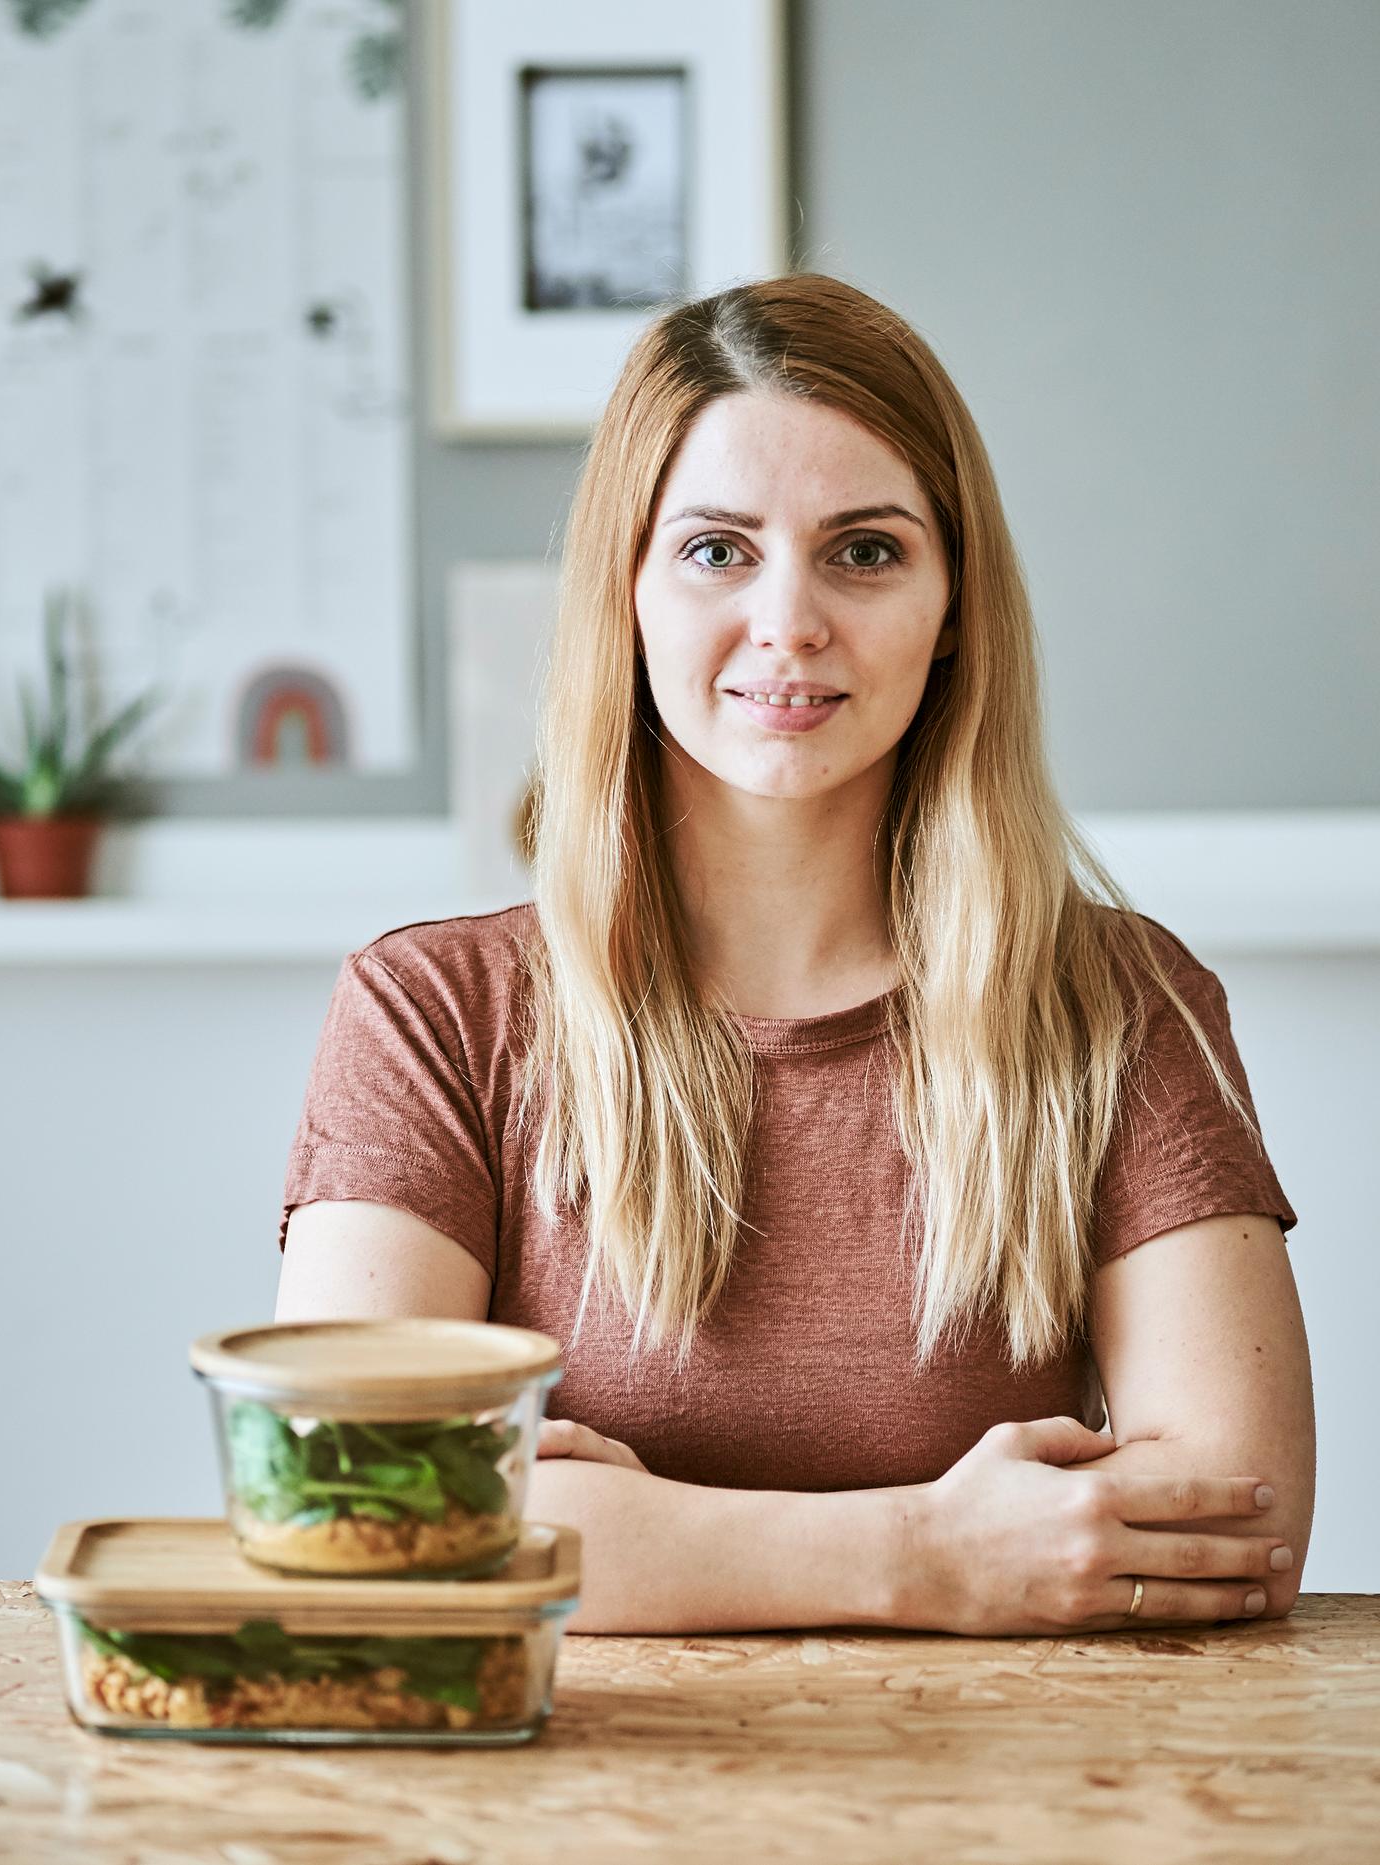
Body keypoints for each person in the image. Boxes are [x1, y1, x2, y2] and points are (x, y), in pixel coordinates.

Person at [276, 274, 1314, 1637]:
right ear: (625, 593)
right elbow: (358, 1508)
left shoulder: (1121, 1005)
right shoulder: (431, 1013)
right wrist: (933, 1553)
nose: (791, 621)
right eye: (716, 549)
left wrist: (615, 1533)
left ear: (954, 607)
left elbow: (1232, 1527)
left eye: (866, 549)